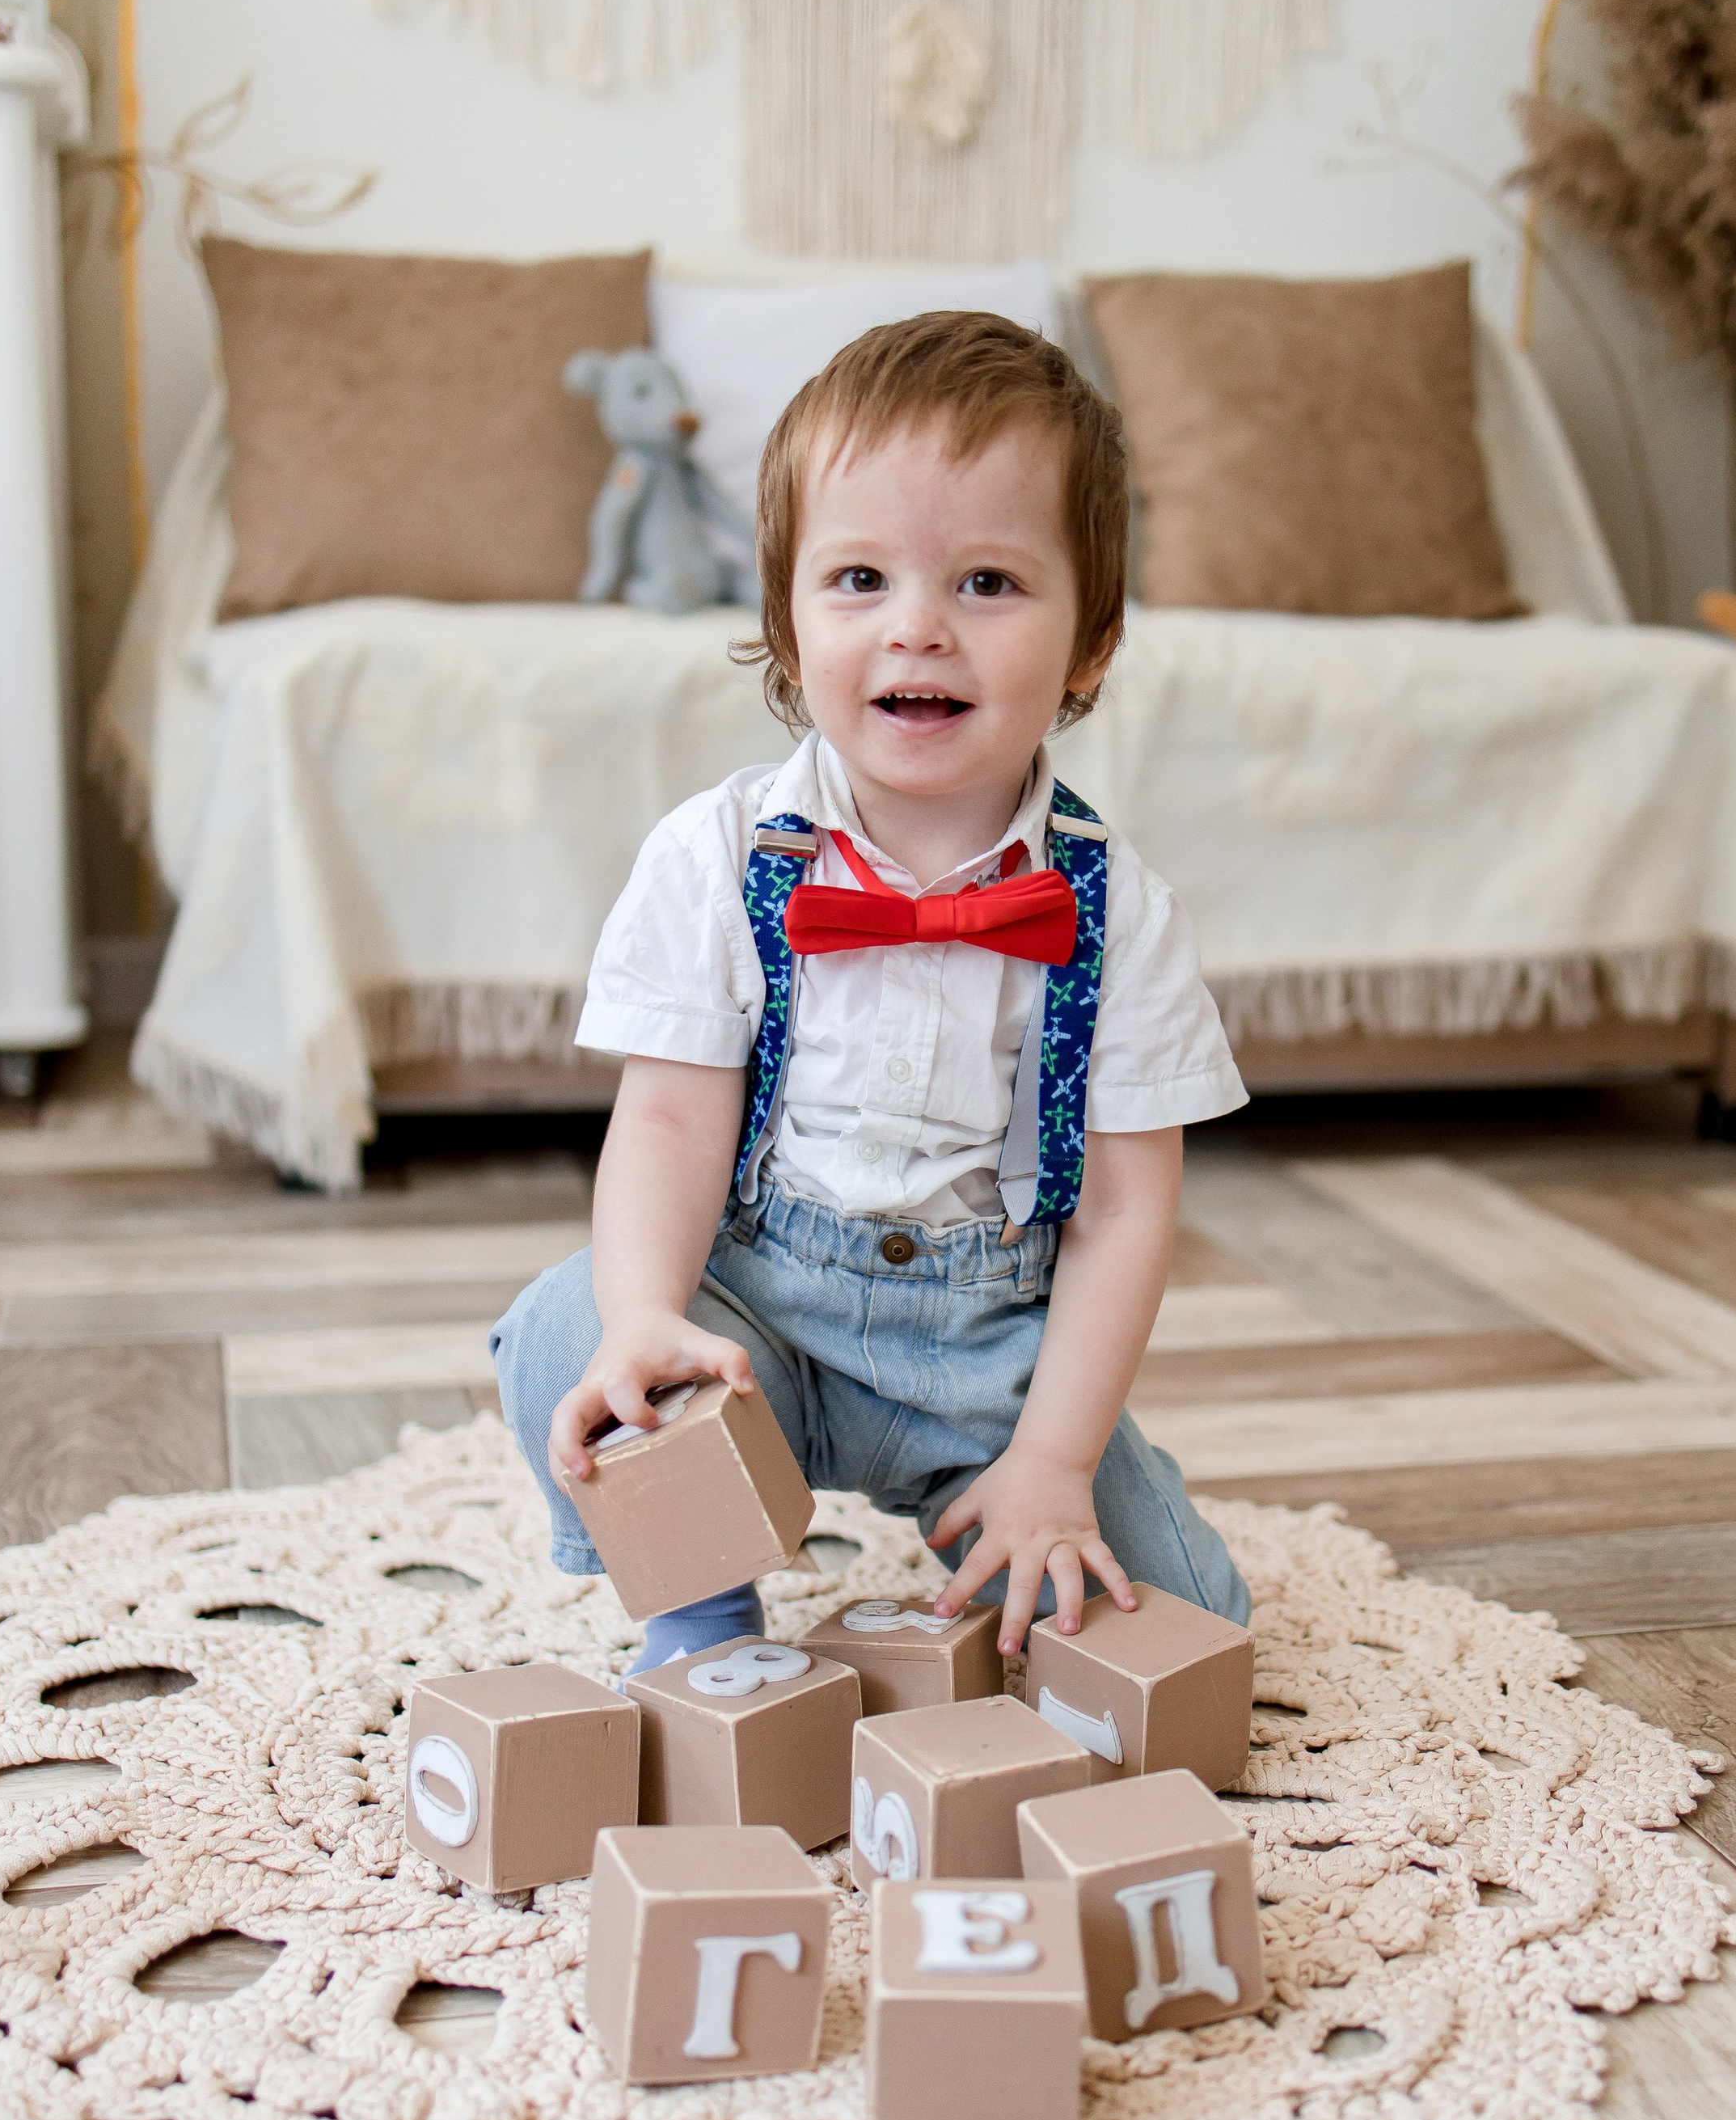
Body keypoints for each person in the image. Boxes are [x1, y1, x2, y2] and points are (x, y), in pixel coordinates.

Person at [492, 308, 1252, 1674]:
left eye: (987, 584)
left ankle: (1014, 1507)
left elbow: (1132, 1205)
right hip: (758, 1321)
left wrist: (1055, 1458)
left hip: (987, 1360)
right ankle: (703, 1610)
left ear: (1092, 644)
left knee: (1190, 1632)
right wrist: (651, 1314)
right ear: (786, 624)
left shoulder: (1118, 907)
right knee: (568, 1329)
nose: (919, 630)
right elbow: (664, 1125)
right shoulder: (718, 858)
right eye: (859, 580)